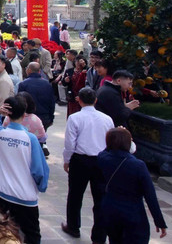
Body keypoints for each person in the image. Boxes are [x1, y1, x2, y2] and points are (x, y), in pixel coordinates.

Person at [0, 96, 49, 244]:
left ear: (7, 113)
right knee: (32, 234)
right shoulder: (30, 139)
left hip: (3, 193)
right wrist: (41, 186)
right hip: (25, 196)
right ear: (24, 114)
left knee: (6, 233)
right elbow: (39, 171)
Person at [60, 87, 114, 242]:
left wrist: (67, 160)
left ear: (79, 100)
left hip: (80, 159)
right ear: (95, 100)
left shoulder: (75, 118)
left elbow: (70, 142)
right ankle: (99, 235)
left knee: (75, 195)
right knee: (101, 198)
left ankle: (73, 226)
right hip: (101, 160)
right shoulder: (107, 119)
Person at [98, 127, 167, 244]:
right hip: (132, 213)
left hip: (110, 210)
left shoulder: (103, 158)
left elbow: (105, 150)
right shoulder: (138, 165)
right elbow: (150, 195)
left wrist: (114, 137)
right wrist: (159, 221)